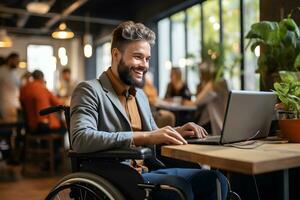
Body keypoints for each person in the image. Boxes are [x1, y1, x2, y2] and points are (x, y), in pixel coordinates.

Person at [70, 21, 228, 200]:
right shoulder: (89, 90)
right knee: (180, 189)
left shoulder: (140, 96)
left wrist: (178, 131)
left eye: (147, 59)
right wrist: (145, 136)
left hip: (147, 169)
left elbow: (153, 134)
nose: (144, 65)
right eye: (138, 57)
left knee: (215, 179)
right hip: (114, 175)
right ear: (116, 54)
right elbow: (81, 139)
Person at [20, 70, 65, 135]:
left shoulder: (24, 88)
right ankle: (51, 145)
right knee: (64, 128)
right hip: (43, 125)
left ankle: (41, 144)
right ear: (42, 78)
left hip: (29, 126)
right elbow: (59, 104)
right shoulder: (42, 88)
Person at [194, 61, 229, 135]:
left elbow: (197, 102)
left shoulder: (212, 85)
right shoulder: (219, 83)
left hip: (212, 120)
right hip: (222, 119)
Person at [0, 53, 21, 122]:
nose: (18, 63)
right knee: (8, 126)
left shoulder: (14, 72)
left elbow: (18, 85)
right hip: (6, 104)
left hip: (14, 103)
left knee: (14, 126)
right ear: (10, 60)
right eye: (16, 61)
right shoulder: (2, 71)